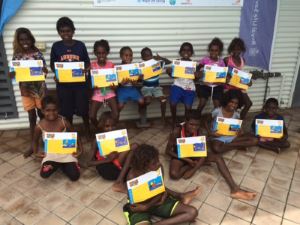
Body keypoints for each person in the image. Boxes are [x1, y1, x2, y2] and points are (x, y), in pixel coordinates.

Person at [166, 109, 256, 200]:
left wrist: (194, 169)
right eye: (191, 124)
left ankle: (235, 189)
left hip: (194, 153)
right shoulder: (176, 131)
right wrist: (188, 160)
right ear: (185, 121)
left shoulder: (199, 131)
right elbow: (168, 151)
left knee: (218, 158)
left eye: (197, 125)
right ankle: (191, 164)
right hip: (180, 154)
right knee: (174, 175)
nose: (194, 127)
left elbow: (202, 151)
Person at [123, 144, 200, 225]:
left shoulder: (159, 168)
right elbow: (133, 200)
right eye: (154, 163)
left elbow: (159, 189)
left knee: (192, 212)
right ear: (144, 165)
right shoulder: (132, 176)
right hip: (139, 206)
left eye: (158, 160)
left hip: (156, 202)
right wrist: (144, 207)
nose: (159, 163)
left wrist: (149, 205)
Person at [9, 27, 48, 158]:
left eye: (27, 39)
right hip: (25, 90)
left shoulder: (37, 53)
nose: (25, 41)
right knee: (31, 117)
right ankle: (33, 143)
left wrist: (44, 71)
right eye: (21, 39)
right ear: (18, 41)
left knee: (42, 114)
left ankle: (46, 140)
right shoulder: (17, 55)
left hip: (39, 89)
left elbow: (44, 70)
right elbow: (13, 73)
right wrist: (12, 74)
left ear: (31, 39)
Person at [50, 17, 90, 135]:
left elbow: (87, 62)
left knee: (83, 109)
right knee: (67, 111)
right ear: (58, 32)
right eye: (62, 31)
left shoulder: (80, 45)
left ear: (73, 31)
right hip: (64, 85)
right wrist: (57, 73)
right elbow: (53, 64)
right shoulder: (56, 46)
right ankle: (71, 132)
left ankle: (87, 128)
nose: (65, 33)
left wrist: (85, 70)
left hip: (80, 84)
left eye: (68, 31)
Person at [32, 96, 82, 181]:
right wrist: (35, 152)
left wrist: (81, 149)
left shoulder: (64, 122)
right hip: (51, 154)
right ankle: (60, 164)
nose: (51, 113)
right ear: (43, 111)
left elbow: (75, 134)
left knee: (75, 176)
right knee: (44, 174)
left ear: (58, 110)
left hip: (66, 152)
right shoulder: (39, 126)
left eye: (54, 110)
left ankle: (61, 164)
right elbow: (35, 140)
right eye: (48, 110)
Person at [87, 111, 137, 186]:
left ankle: (120, 179)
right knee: (133, 148)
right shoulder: (97, 140)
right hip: (107, 167)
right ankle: (120, 180)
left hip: (119, 162)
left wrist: (118, 153)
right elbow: (89, 163)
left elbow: (124, 151)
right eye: (107, 126)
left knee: (133, 148)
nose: (111, 129)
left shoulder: (119, 136)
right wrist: (108, 159)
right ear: (102, 126)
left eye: (113, 126)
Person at [166, 42, 199, 127]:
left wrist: (197, 75)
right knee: (173, 103)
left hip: (189, 88)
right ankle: (174, 119)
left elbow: (196, 78)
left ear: (191, 53)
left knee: (188, 108)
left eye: (188, 50)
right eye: (184, 50)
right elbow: (172, 75)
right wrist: (169, 71)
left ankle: (186, 122)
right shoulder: (177, 62)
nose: (186, 52)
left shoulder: (193, 64)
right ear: (180, 52)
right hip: (178, 85)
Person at [89, 40, 118, 127]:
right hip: (98, 92)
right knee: (92, 116)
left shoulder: (111, 65)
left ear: (107, 53)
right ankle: (100, 128)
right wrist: (93, 86)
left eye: (103, 53)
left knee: (116, 114)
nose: (101, 55)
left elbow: (115, 85)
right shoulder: (92, 66)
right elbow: (89, 83)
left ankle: (110, 128)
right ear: (95, 53)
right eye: (99, 53)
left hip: (109, 92)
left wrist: (114, 86)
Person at [139, 47, 171, 125]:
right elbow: (138, 81)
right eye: (146, 56)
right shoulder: (141, 66)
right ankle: (141, 109)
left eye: (150, 55)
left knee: (163, 100)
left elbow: (169, 62)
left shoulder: (157, 64)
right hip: (146, 88)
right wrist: (140, 78)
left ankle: (163, 118)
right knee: (148, 101)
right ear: (142, 58)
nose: (148, 57)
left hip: (156, 88)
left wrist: (160, 58)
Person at [224, 37, 252, 119]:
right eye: (234, 49)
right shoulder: (227, 60)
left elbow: (241, 74)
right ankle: (227, 120)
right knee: (231, 104)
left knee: (248, 103)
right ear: (231, 49)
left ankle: (239, 121)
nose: (236, 51)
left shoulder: (242, 60)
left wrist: (248, 81)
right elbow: (222, 73)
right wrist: (227, 77)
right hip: (229, 86)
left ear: (241, 50)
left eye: (239, 49)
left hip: (239, 86)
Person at [197, 37, 225, 114]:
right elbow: (198, 70)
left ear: (219, 51)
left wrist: (220, 82)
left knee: (217, 106)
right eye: (212, 50)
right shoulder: (205, 60)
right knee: (202, 103)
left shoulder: (221, 62)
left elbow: (223, 75)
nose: (214, 52)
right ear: (209, 51)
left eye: (216, 50)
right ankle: (196, 118)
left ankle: (212, 120)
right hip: (205, 85)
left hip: (217, 86)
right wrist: (201, 75)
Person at [116, 46, 145, 123]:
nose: (128, 57)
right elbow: (115, 82)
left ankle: (141, 112)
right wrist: (120, 84)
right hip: (122, 90)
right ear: (121, 56)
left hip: (132, 88)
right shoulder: (118, 68)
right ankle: (115, 119)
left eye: (130, 55)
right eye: (126, 55)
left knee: (142, 102)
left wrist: (139, 79)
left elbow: (139, 82)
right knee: (120, 106)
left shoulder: (135, 67)